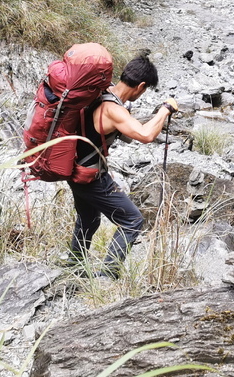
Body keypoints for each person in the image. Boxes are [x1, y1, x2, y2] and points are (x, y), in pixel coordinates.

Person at [64, 52, 179, 279]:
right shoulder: (113, 109)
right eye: (145, 90)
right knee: (132, 220)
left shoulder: (101, 93)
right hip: (90, 176)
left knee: (88, 219)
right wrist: (165, 109)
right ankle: (108, 275)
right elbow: (146, 135)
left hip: (74, 168)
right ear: (141, 86)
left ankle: (73, 267)